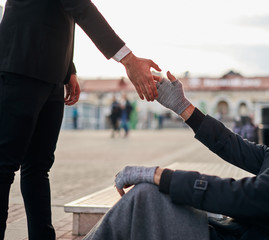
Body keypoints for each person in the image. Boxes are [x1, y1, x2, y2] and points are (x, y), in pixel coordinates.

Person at [84, 73, 269, 240]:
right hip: (236, 233)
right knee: (147, 200)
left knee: (147, 195)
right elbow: (232, 145)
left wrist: (159, 175)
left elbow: (244, 195)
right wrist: (182, 107)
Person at [0, 0, 161, 239]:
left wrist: (69, 70)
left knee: (38, 167)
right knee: (4, 166)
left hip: (52, 74)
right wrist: (128, 60)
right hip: (20, 66)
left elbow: (61, 12)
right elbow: (79, 6)